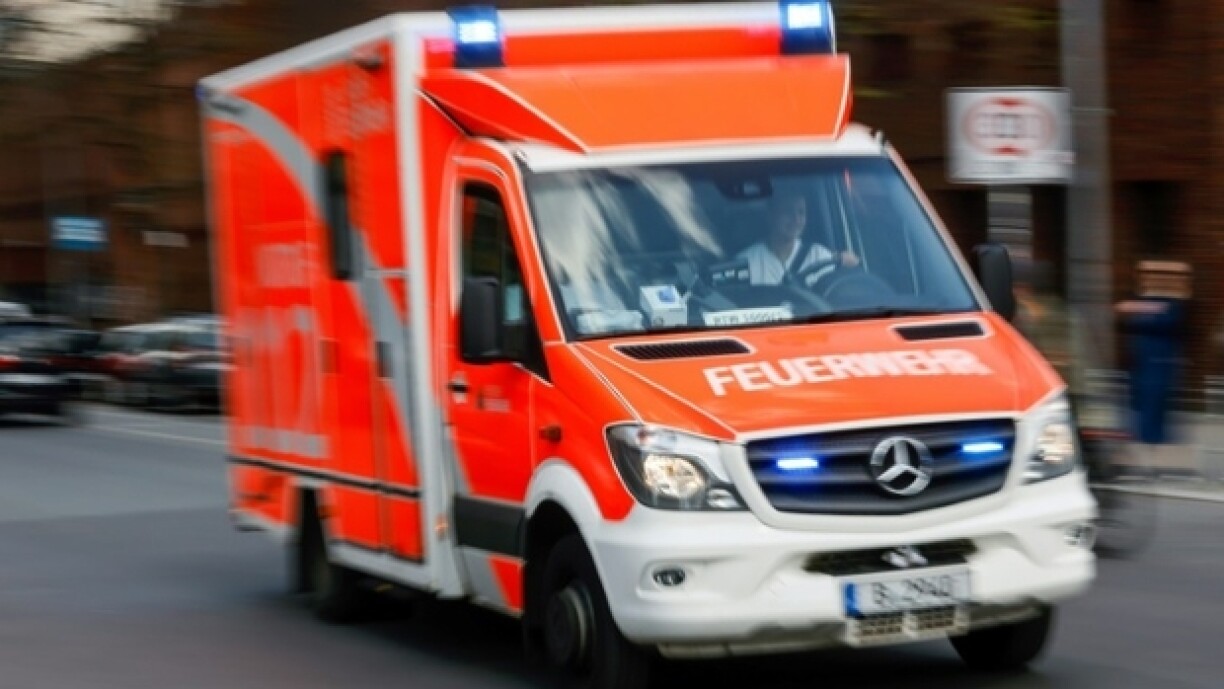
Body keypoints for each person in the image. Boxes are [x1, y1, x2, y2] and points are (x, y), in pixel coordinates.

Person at [1115, 260, 1191, 453]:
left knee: (1153, 407)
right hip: (1146, 365)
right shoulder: (1156, 307)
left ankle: (1151, 444)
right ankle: (1149, 443)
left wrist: (1133, 308)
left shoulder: (1170, 308)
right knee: (1145, 407)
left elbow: (1162, 321)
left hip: (1157, 365)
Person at [737, 191, 858, 286]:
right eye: (788, 211)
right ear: (771, 215)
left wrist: (843, 260)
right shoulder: (746, 262)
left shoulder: (818, 255)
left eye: (801, 212)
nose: (796, 219)